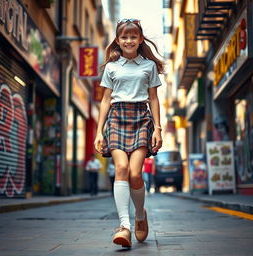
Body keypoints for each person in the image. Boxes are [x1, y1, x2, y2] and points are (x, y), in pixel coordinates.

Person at [94, 18, 164, 248]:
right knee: (121, 168)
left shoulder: (149, 66)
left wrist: (158, 128)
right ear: (117, 40)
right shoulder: (112, 67)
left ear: (140, 39)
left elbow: (154, 99)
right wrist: (99, 132)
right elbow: (105, 101)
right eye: (124, 36)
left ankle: (140, 215)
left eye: (133, 36)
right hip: (117, 117)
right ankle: (124, 226)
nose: (129, 40)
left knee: (135, 174)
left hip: (141, 119)